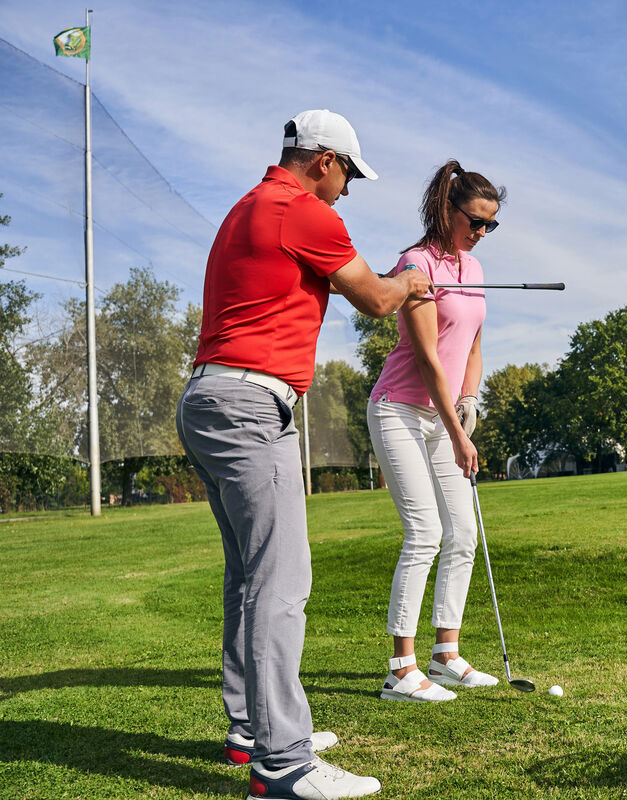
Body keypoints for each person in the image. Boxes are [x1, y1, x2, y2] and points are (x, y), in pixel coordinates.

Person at [176, 109, 431, 800]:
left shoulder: (245, 208)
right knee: (281, 584)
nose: (347, 190)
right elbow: (378, 298)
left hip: (209, 399)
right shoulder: (304, 210)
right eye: (348, 173)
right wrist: (410, 280)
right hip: (250, 406)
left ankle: (251, 730)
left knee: (248, 579)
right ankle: (282, 762)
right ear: (323, 160)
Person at [368, 160, 505, 703]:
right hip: (400, 408)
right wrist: (459, 432)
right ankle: (400, 669)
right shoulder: (415, 264)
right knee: (424, 532)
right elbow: (427, 358)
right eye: (475, 220)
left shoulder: (471, 270)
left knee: (463, 535)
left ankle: (445, 654)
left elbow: (471, 344)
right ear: (448, 209)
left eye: (491, 225)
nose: (481, 233)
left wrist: (469, 404)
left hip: (447, 413)